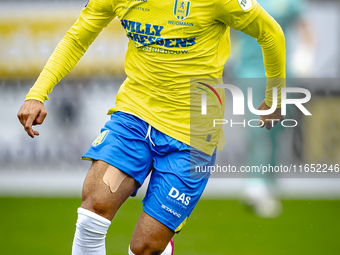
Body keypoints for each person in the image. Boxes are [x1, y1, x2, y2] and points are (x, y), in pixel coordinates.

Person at [17, 0, 286, 254]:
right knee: (92, 213)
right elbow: (77, 38)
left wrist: (275, 96)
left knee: (145, 247)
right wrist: (37, 93)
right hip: (133, 121)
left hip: (192, 136)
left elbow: (271, 33)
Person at [230, 0, 314, 218]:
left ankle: (270, 182)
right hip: (250, 71)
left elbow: (304, 26)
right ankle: (254, 183)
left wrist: (305, 55)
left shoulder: (289, 3)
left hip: (282, 74)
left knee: (278, 130)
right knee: (256, 127)